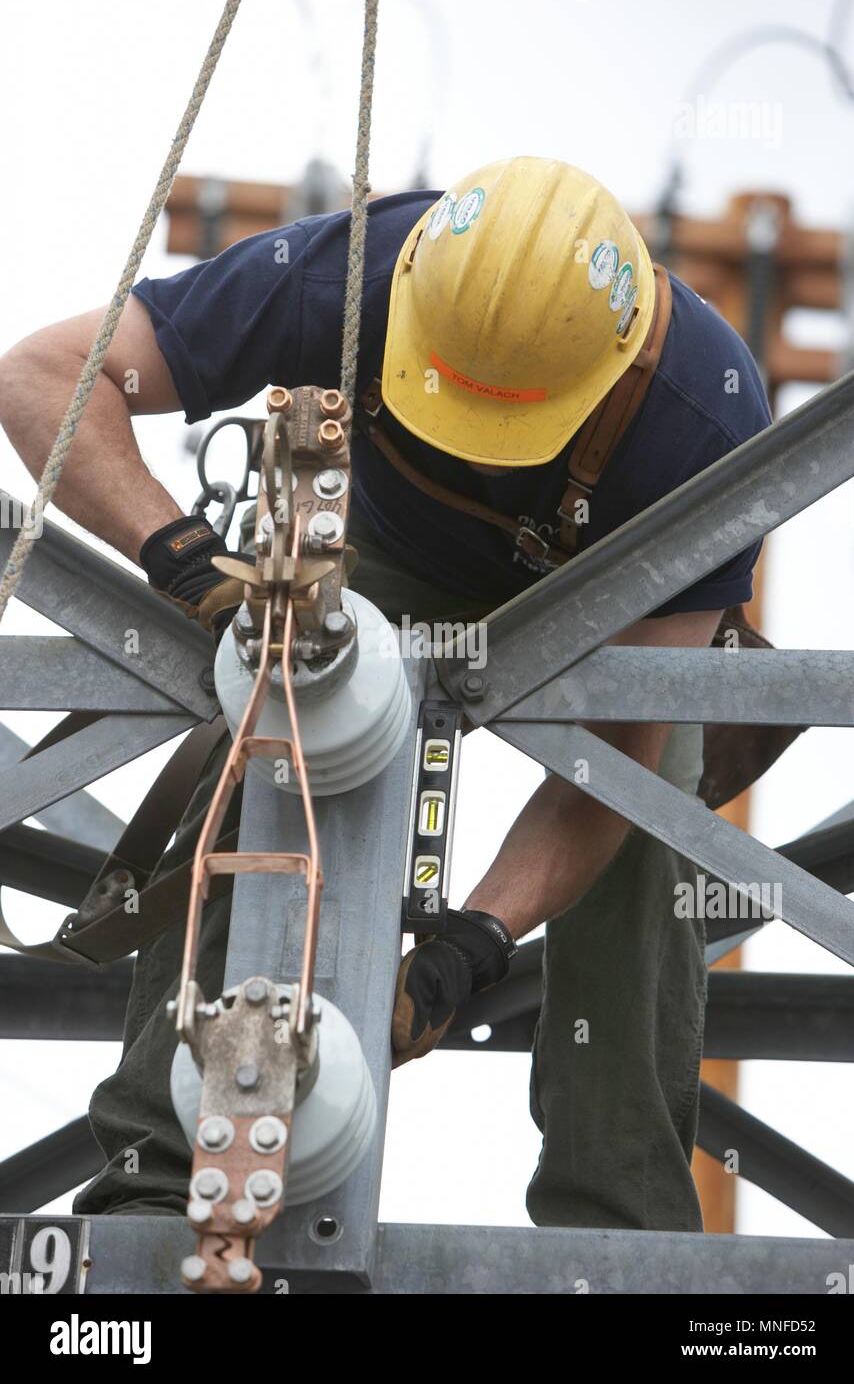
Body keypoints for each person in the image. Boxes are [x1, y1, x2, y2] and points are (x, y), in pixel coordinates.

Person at [0, 157, 771, 1230]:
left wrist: (473, 943)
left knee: (653, 815)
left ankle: (617, 1219)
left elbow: (614, 768)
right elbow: (43, 378)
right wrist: (188, 563)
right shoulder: (341, 275)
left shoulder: (703, 416)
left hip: (606, 611)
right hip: (385, 571)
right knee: (276, 721)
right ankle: (161, 1168)